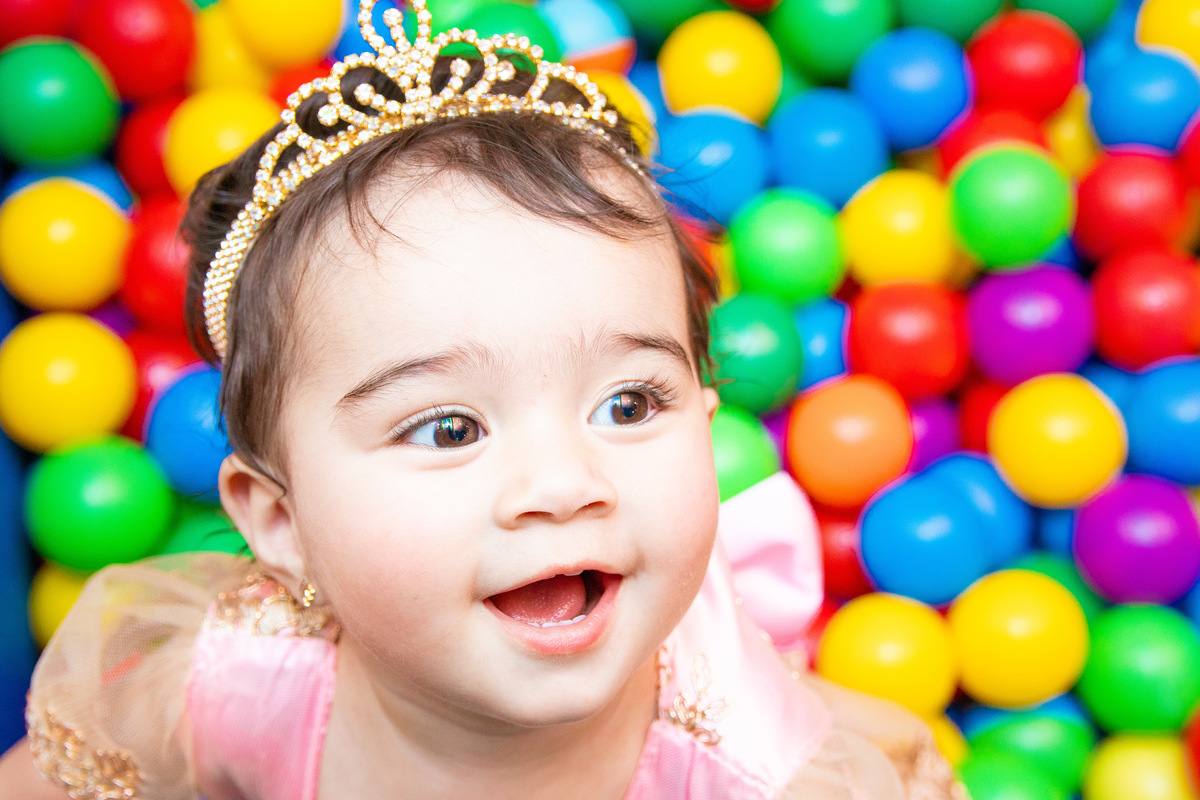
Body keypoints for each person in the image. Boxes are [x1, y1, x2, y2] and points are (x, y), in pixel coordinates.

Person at [0, 2, 963, 797]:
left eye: (628, 405)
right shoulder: (229, 680)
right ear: (281, 520)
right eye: (450, 427)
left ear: (707, 435)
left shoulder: (771, 774)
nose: (563, 481)